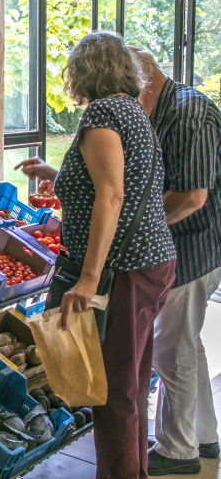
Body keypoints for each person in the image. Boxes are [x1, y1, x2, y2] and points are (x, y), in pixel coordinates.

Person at [15, 32, 177, 479]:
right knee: (131, 383)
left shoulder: (103, 112)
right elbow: (114, 181)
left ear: (84, 72)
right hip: (151, 262)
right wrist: (56, 173)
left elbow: (112, 194)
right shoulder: (134, 111)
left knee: (112, 393)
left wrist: (88, 279)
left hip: (123, 269)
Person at [130, 47, 221, 476]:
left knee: (171, 351)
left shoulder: (186, 113)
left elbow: (192, 196)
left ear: (143, 79)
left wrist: (139, 229)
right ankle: (204, 435)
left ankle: (178, 450)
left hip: (193, 249)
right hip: (187, 247)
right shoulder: (164, 109)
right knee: (187, 344)